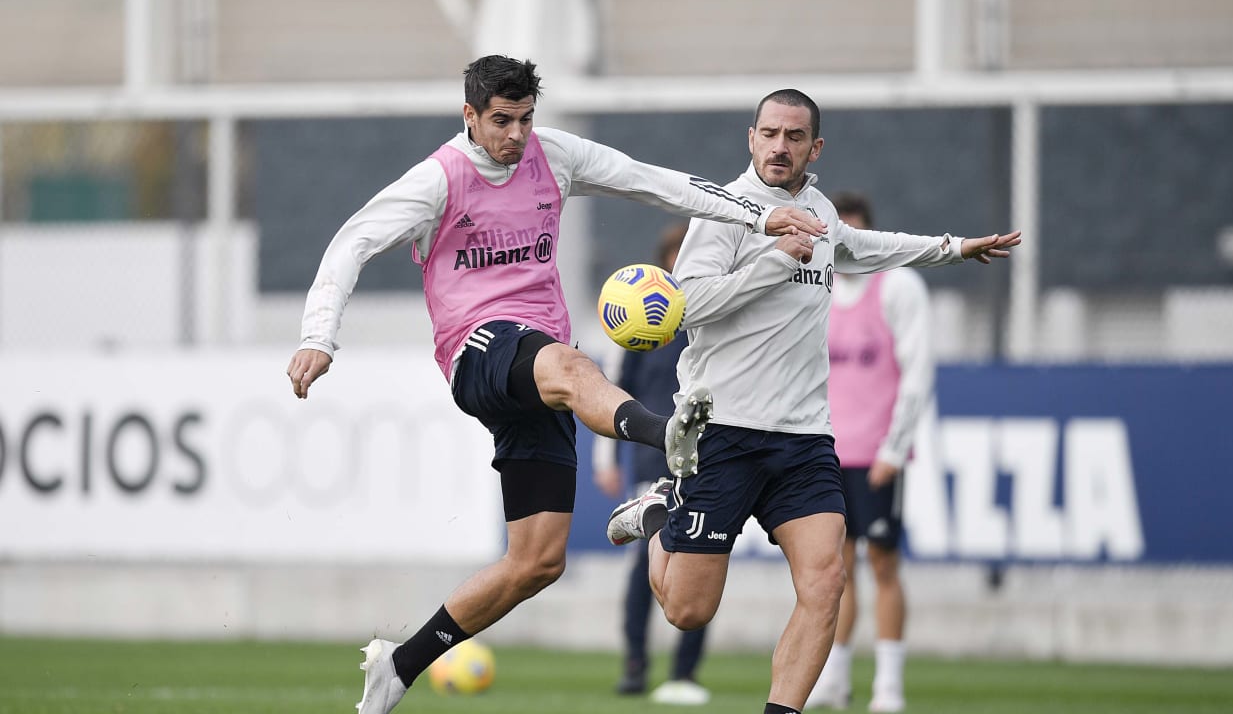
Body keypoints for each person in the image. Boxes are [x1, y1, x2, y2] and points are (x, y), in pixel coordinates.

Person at [285, 56, 827, 714]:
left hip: (536, 368)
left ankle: (399, 668)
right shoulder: (438, 179)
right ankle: (666, 436)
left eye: (526, 119)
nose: (516, 135)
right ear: (471, 117)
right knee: (572, 369)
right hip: (478, 350)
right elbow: (352, 243)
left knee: (538, 561)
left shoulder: (555, 155)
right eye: (501, 121)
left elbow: (654, 184)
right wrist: (319, 336)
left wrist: (756, 217)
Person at [605, 89, 1020, 714]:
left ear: (814, 146)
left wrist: (952, 248)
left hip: (803, 439)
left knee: (826, 581)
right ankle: (661, 512)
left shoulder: (821, 211)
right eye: (769, 133)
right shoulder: (722, 211)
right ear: (751, 137)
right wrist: (774, 261)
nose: (780, 146)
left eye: (793, 136)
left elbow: (867, 249)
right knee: (688, 611)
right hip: (723, 432)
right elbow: (685, 307)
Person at [805, 192, 931, 713]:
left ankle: (889, 686)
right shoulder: (816, 288)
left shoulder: (899, 287)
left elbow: (917, 372)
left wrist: (894, 449)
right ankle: (835, 680)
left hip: (876, 455)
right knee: (835, 568)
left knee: (883, 563)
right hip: (825, 454)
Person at [593, 222, 711, 706]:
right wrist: (606, 456)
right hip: (650, 459)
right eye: (673, 257)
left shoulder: (709, 316)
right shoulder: (640, 323)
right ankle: (636, 664)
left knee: (702, 560)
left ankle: (684, 673)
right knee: (645, 566)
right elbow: (613, 393)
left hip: (706, 458)